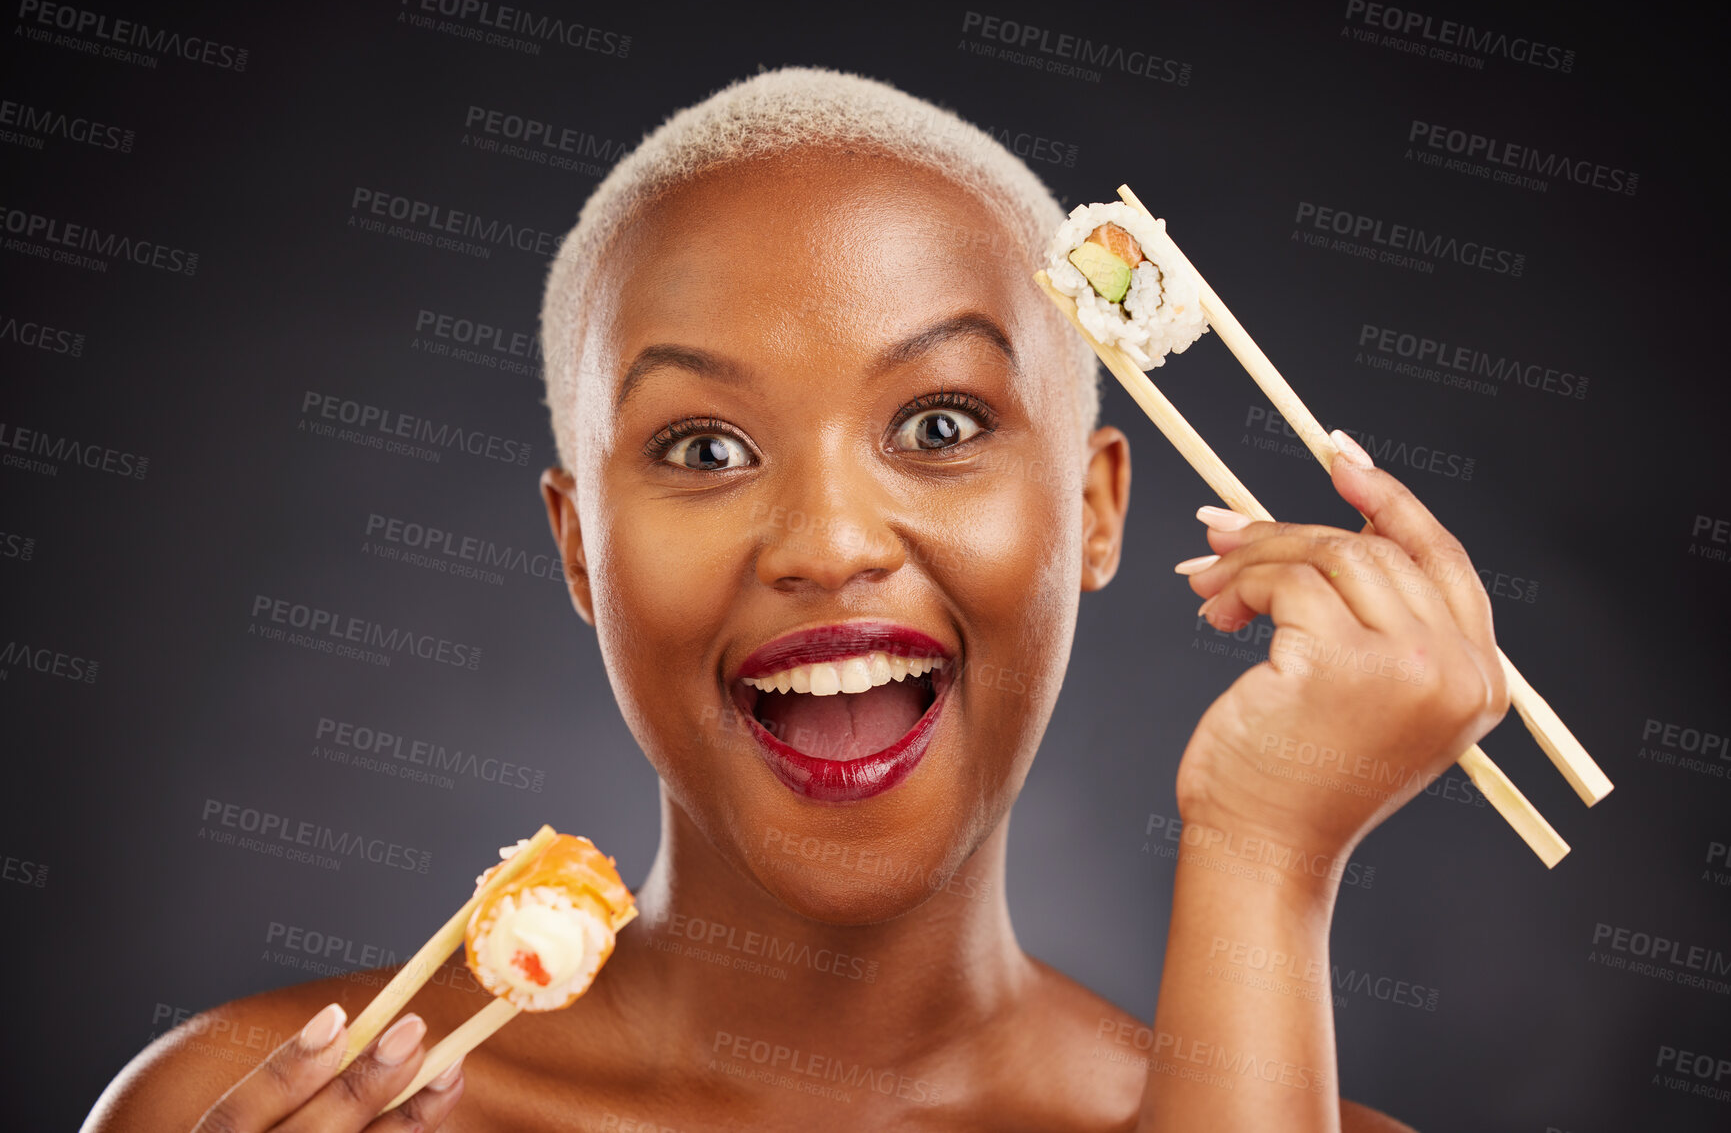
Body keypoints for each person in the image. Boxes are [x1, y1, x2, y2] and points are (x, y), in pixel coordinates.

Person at [86, 68, 1505, 1132]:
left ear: (1094, 506)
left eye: (941, 424)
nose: (828, 543)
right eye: (704, 449)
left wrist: (1264, 853)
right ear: (581, 552)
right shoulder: (249, 1104)